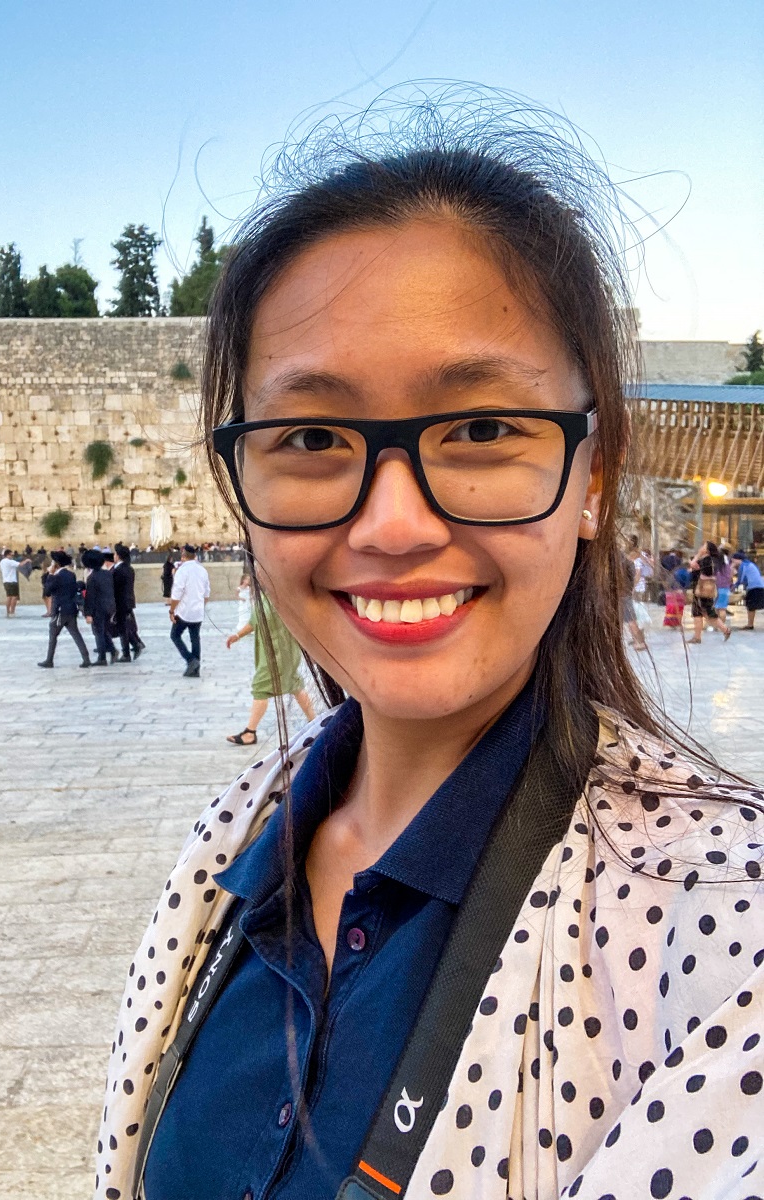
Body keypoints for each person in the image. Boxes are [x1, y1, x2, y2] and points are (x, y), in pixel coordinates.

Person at [98, 96, 764, 1200]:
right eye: (311, 438)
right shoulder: (229, 845)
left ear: (591, 479)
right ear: (240, 490)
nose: (393, 524)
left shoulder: (723, 930)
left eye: (482, 429)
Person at [225, 591, 315, 744]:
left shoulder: (283, 596)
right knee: (295, 685)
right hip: (274, 653)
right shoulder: (265, 595)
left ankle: (250, 733)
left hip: (279, 654)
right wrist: (238, 636)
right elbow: (255, 622)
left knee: (260, 688)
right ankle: (315, 722)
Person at [38, 550, 91, 669]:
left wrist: (50, 575)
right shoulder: (70, 575)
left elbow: (47, 591)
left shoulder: (56, 577)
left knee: (53, 636)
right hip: (71, 609)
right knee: (76, 634)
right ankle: (86, 658)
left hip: (60, 611)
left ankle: (49, 660)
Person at [165, 544, 210, 677]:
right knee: (195, 638)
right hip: (198, 611)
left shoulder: (182, 571)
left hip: (184, 611)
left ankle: (191, 660)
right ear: (195, 556)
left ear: (183, 556)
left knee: (175, 635)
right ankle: (195, 669)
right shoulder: (202, 570)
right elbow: (207, 593)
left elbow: (177, 593)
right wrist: (201, 605)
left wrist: (172, 611)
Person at [688, 541, 731, 643]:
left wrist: (698, 555)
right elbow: (692, 567)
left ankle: (725, 630)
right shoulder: (710, 560)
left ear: (707, 550)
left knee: (707, 614)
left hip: (702, 591)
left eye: (703, 545)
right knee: (700, 613)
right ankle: (697, 637)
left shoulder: (707, 560)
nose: (701, 547)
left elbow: (692, 566)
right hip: (702, 591)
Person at [82, 548, 117, 665]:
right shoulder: (107, 574)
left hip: (98, 608)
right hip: (110, 606)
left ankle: (102, 657)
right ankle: (112, 650)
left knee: (98, 632)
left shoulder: (92, 578)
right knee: (105, 630)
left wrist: (88, 613)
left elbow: (90, 597)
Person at [112, 543, 144, 662]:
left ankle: (128, 651)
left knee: (122, 628)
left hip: (121, 602)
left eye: (115, 554)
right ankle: (135, 645)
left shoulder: (119, 570)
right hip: (128, 601)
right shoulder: (129, 568)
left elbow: (115, 587)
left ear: (118, 556)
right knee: (123, 626)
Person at [732, 550, 764, 629]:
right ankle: (750, 624)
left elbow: (741, 579)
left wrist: (733, 587)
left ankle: (750, 625)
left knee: (751, 606)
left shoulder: (743, 565)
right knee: (752, 606)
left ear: (738, 559)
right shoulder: (749, 564)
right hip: (758, 586)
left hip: (754, 587)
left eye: (733, 560)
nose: (732, 561)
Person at [660, 548, 686, 630]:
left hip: (668, 579)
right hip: (677, 580)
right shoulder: (679, 560)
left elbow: (662, 569)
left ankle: (670, 621)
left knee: (670, 603)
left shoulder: (664, 559)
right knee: (678, 604)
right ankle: (677, 621)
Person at [0, 548, 21, 617]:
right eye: (11, 555)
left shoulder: (2, 562)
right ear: (8, 555)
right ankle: (12, 612)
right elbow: (20, 564)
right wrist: (27, 560)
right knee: (14, 597)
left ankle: (8, 611)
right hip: (12, 581)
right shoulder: (9, 561)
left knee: (9, 597)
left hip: (5, 581)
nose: (12, 556)